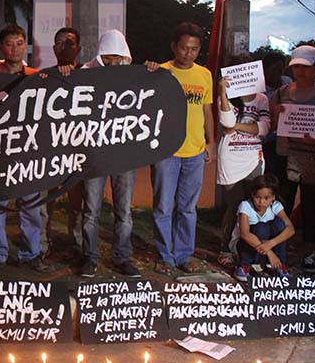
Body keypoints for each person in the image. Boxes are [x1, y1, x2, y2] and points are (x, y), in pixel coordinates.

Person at [0, 24, 53, 274]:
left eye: (19, 43)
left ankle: (31, 253)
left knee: (31, 205)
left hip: (28, 151)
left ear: (25, 47)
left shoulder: (35, 75)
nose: (15, 48)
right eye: (10, 44)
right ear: (1, 47)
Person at [145, 22, 214, 274]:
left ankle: (184, 254)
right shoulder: (160, 71)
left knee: (187, 208)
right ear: (174, 46)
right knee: (163, 206)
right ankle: (165, 256)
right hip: (166, 151)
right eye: (184, 48)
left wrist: (211, 141)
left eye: (194, 49)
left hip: (195, 150)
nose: (188, 53)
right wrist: (148, 72)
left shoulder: (204, 74)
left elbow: (207, 110)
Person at [269, 44, 315, 273]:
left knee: (311, 206)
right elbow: (272, 124)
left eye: (306, 67)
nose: (300, 72)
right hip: (286, 154)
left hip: (313, 158)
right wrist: (277, 112)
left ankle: (309, 252)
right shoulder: (282, 92)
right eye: (296, 67)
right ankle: (278, 250)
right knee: (283, 203)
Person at [78, 30, 140, 277]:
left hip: (124, 153)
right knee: (91, 208)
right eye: (109, 57)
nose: (114, 62)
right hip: (95, 152)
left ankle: (122, 257)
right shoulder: (86, 73)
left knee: (124, 210)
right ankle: (90, 257)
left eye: (118, 57)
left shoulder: (134, 75)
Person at [216, 69, 271, 270]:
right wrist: (222, 91)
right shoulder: (228, 97)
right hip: (231, 159)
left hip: (254, 160)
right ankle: (225, 249)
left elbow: (264, 128)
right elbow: (226, 122)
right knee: (234, 206)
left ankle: (246, 250)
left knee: (254, 206)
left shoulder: (262, 99)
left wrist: (237, 126)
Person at [42, 26, 84, 256]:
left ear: (79, 48)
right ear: (53, 48)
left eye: (70, 43)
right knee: (46, 197)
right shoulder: (43, 76)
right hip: (50, 149)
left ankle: (77, 242)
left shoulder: (90, 74)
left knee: (78, 201)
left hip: (77, 149)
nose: (65, 47)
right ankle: (43, 243)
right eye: (60, 43)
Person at [231, 174, 295, 281]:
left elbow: (290, 229)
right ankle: (244, 266)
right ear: (252, 195)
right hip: (248, 248)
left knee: (280, 224)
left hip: (266, 247)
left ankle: (279, 266)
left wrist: (271, 244)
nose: (261, 202)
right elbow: (245, 234)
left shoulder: (276, 206)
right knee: (261, 227)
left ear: (273, 197)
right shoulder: (245, 206)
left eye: (266, 198)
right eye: (258, 198)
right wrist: (269, 252)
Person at [261, 51, 292, 182]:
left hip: (284, 138)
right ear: (265, 69)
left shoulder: (287, 82)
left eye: (280, 70)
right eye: (274, 69)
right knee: (269, 175)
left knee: (284, 176)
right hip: (267, 140)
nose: (277, 73)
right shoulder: (259, 88)